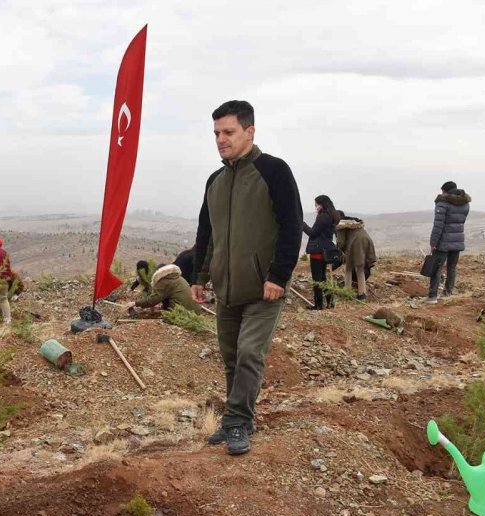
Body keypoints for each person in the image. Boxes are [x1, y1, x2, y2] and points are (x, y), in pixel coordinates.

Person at [190, 100, 303, 455]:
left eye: (228, 132)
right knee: (231, 356)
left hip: (264, 287)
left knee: (250, 353)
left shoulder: (274, 171)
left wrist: (278, 276)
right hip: (226, 287)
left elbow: (292, 226)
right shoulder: (216, 180)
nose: (220, 139)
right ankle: (241, 419)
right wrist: (199, 276)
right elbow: (206, 232)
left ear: (250, 131)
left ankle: (236, 421)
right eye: (216, 133)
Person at [425, 181, 470, 304]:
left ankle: (432, 296)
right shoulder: (465, 203)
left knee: (436, 268)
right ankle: (448, 293)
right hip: (457, 241)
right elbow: (461, 222)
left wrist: (433, 242)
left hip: (443, 242)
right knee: (452, 267)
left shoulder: (442, 204)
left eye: (442, 191)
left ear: (445, 191)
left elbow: (438, 226)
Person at [302, 195, 341, 310]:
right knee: (323, 278)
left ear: (322, 204)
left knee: (317, 280)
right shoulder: (332, 216)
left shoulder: (322, 217)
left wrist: (302, 224)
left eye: (317, 204)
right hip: (325, 251)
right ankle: (330, 302)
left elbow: (312, 233)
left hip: (317, 252)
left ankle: (318, 305)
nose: (316, 207)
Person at [126, 264, 202, 315]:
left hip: (184, 313)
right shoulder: (178, 278)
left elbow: (153, 300)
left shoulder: (164, 281)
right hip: (196, 311)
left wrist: (135, 303)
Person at [334, 214, 376, 301]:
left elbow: (341, 242)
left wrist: (339, 251)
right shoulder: (354, 222)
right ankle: (362, 294)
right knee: (360, 268)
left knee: (348, 269)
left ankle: (347, 292)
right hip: (366, 240)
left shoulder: (340, 225)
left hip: (356, 243)